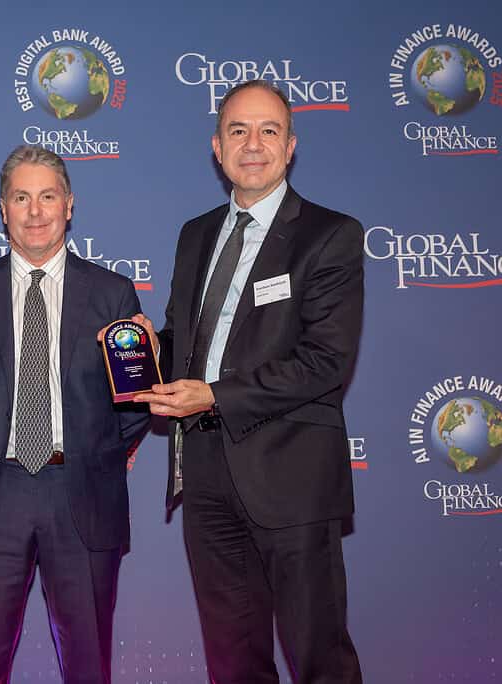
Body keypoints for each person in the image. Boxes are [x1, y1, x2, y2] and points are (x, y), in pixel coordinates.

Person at [137, 80, 363, 682]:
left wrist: (215, 394)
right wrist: (144, 349)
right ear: (217, 147)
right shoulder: (195, 234)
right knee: (232, 658)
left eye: (269, 131)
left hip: (291, 477)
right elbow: (187, 348)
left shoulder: (330, 234)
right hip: (206, 472)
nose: (253, 144)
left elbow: (326, 362)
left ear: (291, 147)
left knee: (319, 656)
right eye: (238, 130)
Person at [0, 145, 151, 683]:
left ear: (69, 205)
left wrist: (96, 452)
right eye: (21, 197)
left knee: (88, 665)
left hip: (82, 496)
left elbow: (136, 403)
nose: (35, 211)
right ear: (2, 209)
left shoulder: (113, 292)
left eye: (47, 196)